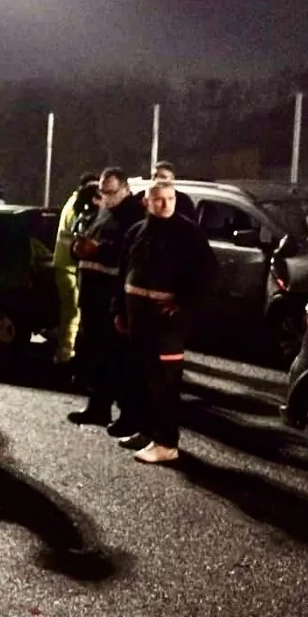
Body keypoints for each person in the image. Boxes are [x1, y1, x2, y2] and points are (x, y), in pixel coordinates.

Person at [115, 180, 217, 463]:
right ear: (146, 202)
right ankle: (147, 432)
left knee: (165, 384)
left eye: (170, 198)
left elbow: (208, 273)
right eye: (159, 199)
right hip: (137, 318)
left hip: (166, 324)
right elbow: (123, 273)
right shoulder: (136, 232)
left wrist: (183, 303)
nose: (165, 204)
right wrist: (119, 311)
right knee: (142, 379)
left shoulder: (188, 233)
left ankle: (166, 443)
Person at [67, 167, 147, 435]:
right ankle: (98, 407)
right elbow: (89, 240)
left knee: (118, 360)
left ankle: (129, 416)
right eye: (102, 191)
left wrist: (99, 250)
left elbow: (130, 254)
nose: (106, 197)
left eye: (111, 192)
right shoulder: (104, 211)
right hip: (92, 296)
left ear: (125, 189)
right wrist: (76, 249)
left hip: (112, 298)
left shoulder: (134, 215)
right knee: (95, 356)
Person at [53, 172, 100, 367]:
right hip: (67, 265)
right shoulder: (78, 208)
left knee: (73, 311)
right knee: (72, 311)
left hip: (69, 264)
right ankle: (65, 354)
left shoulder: (75, 203)